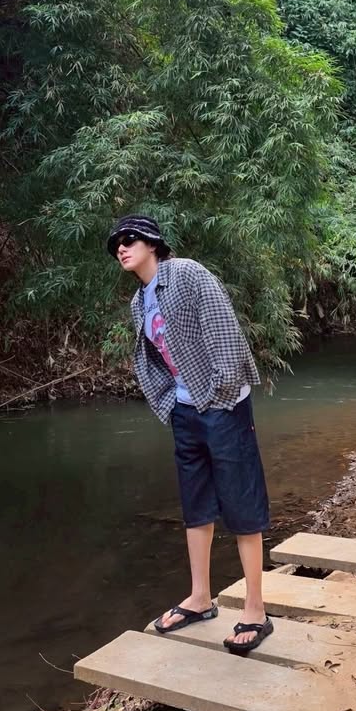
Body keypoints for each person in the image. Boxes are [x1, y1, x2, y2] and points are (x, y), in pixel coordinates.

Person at [107, 214, 273, 656]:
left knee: (240, 498)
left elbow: (225, 333)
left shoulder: (186, 273)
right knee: (195, 503)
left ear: (153, 242)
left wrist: (220, 394)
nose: (122, 248)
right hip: (184, 409)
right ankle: (200, 598)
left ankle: (255, 610)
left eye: (129, 239)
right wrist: (169, 403)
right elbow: (153, 359)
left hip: (223, 405)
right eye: (116, 245)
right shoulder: (139, 301)